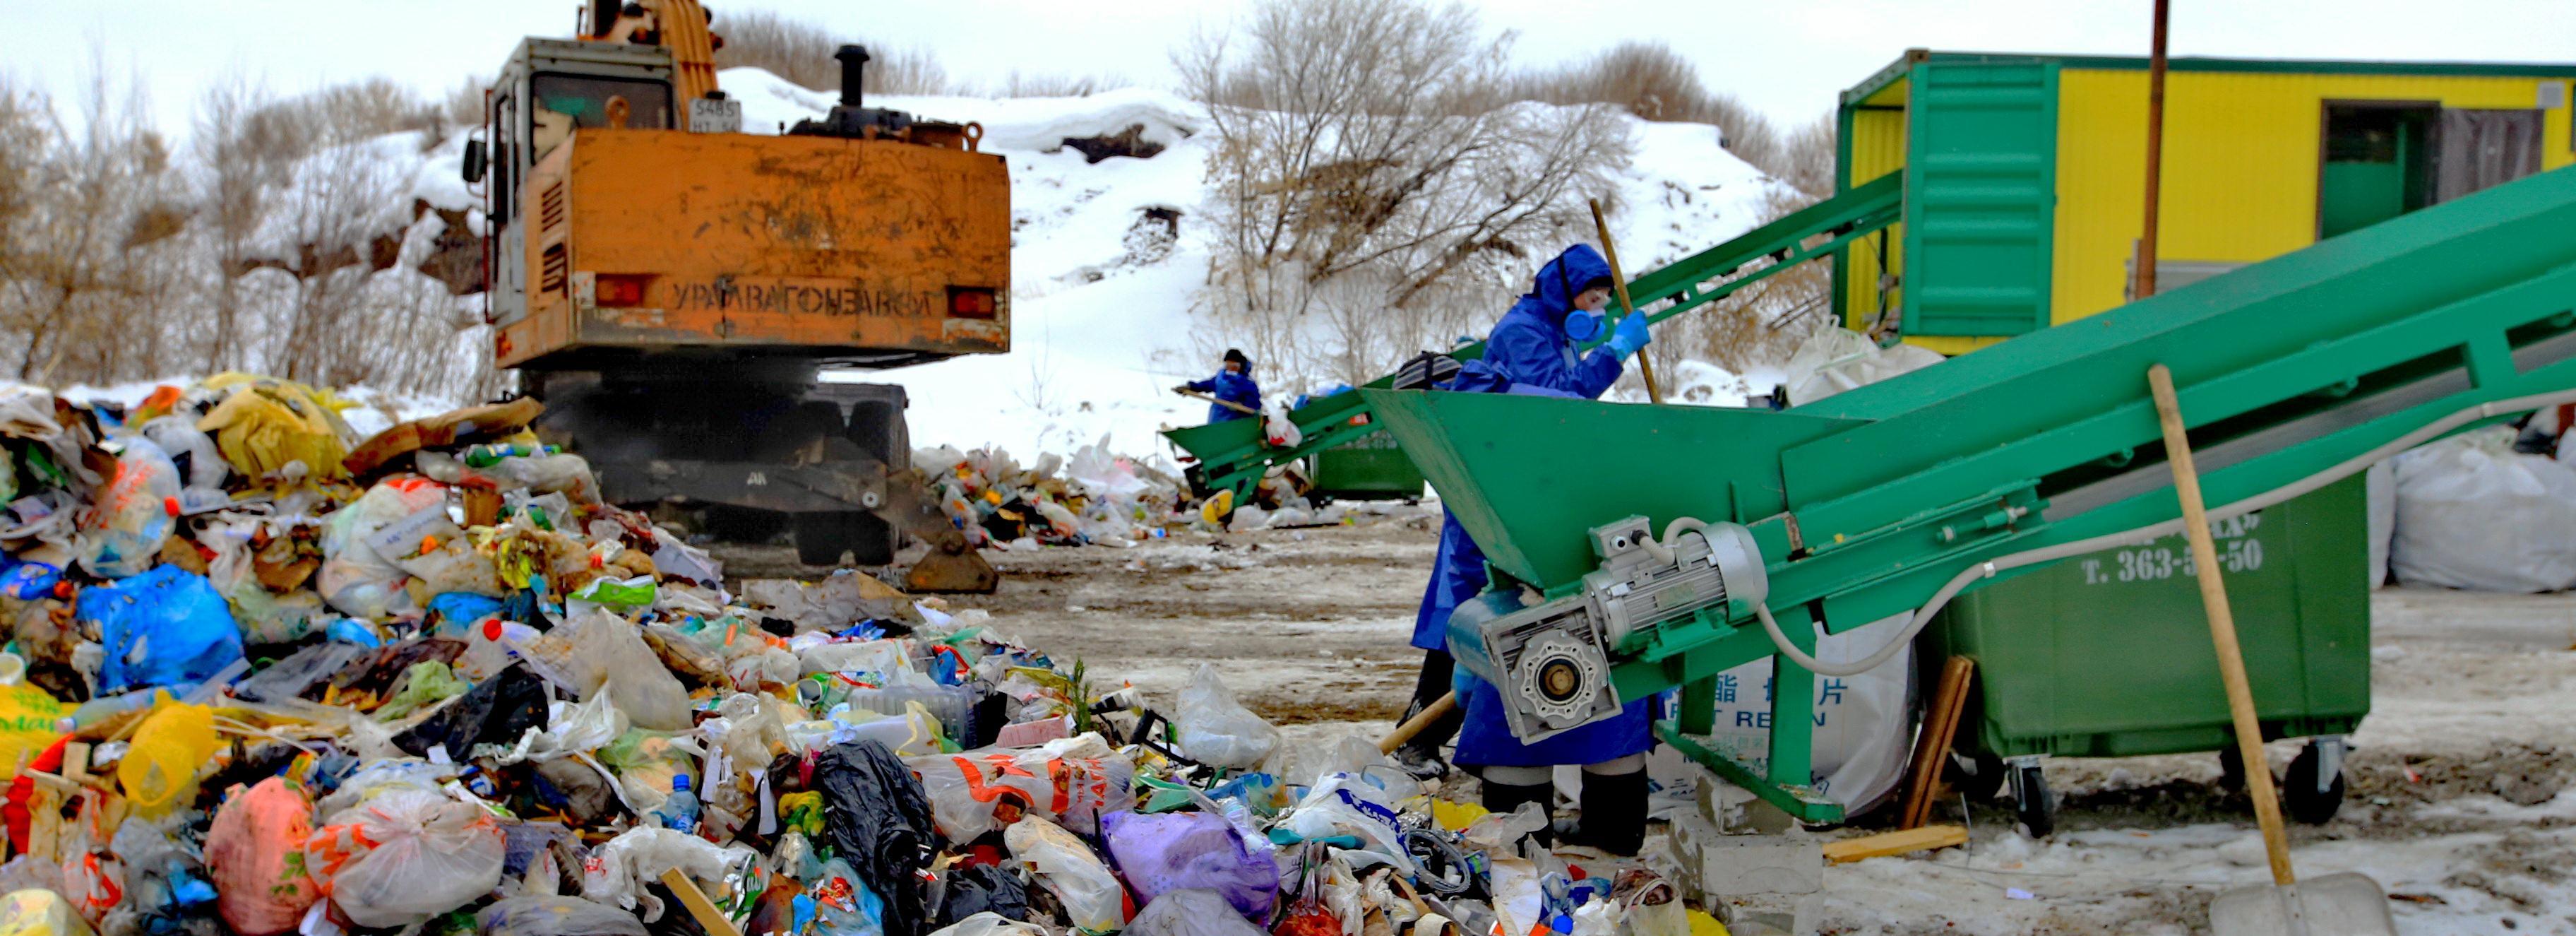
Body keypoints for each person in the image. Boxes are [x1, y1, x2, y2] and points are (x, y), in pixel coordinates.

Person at [1395, 242, 1654, 854]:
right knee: (1493, 642)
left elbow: (1554, 415)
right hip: (1544, 526)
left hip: (1544, 527)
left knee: (1502, 665)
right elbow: (1559, 409)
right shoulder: (1512, 362)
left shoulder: (1494, 404)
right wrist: (1613, 353)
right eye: (1592, 294)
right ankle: (1423, 739)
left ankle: (1532, 827)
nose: (1595, 306)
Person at [1175, 349, 1263, 424]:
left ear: (1241, 366)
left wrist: (1241, 406)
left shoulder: (1247, 383)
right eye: (1228, 365)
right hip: (1216, 419)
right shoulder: (1221, 378)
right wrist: (1191, 387)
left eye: (1234, 366)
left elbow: (1255, 404)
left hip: (1235, 423)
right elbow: (1207, 385)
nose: (1230, 369)